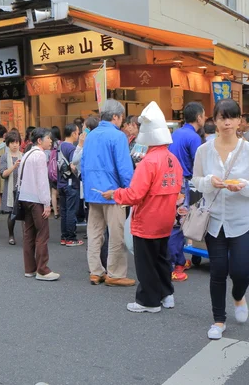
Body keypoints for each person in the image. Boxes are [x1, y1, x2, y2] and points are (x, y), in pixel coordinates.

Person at [192, 99, 249, 340]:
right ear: (214, 119)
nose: (227, 122)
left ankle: (238, 296)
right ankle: (218, 320)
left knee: (240, 271)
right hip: (214, 220)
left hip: (243, 219)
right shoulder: (204, 150)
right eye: (222, 117)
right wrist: (209, 182)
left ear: (239, 121)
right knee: (218, 271)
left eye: (232, 117)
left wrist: (243, 186)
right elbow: (196, 181)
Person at [103, 102, 182, 313]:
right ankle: (167, 294)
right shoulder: (173, 159)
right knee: (162, 259)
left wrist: (115, 194)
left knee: (146, 262)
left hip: (148, 219)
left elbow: (135, 194)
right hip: (166, 218)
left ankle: (148, 301)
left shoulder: (148, 162)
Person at [82, 99, 135, 287]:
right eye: (121, 117)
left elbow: (83, 163)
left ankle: (96, 271)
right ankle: (115, 273)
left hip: (92, 192)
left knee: (95, 233)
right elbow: (125, 169)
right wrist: (130, 191)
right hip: (113, 193)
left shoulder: (91, 135)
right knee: (116, 233)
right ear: (115, 116)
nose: (122, 121)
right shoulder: (118, 136)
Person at [168, 102, 205, 282]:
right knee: (178, 224)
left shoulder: (176, 133)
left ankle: (179, 259)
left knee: (176, 222)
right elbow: (199, 163)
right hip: (183, 184)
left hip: (171, 182)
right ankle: (176, 264)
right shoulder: (194, 137)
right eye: (203, 115)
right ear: (198, 117)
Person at [18, 128, 59, 281]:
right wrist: (47, 204)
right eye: (48, 138)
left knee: (28, 234)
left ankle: (30, 268)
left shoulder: (27, 154)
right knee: (42, 233)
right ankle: (42, 269)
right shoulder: (40, 155)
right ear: (40, 140)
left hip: (25, 197)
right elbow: (42, 182)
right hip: (36, 199)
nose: (51, 141)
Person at [58, 123, 84, 247]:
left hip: (61, 182)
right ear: (74, 133)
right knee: (71, 211)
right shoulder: (71, 148)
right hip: (70, 183)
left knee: (63, 211)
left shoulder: (60, 146)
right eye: (78, 132)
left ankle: (64, 236)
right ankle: (70, 238)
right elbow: (75, 162)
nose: (78, 134)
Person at [0, 131, 22, 245]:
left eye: (17, 142)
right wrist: (14, 166)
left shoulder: (24, 155)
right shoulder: (4, 157)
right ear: (8, 144)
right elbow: (3, 174)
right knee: (11, 214)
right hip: (10, 188)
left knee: (26, 213)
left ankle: (27, 236)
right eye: (12, 142)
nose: (15, 145)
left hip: (22, 188)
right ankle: (11, 235)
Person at [48, 126, 61, 219]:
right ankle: (61, 209)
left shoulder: (49, 145)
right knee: (62, 192)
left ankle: (55, 212)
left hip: (52, 172)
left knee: (53, 192)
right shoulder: (62, 144)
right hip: (60, 171)